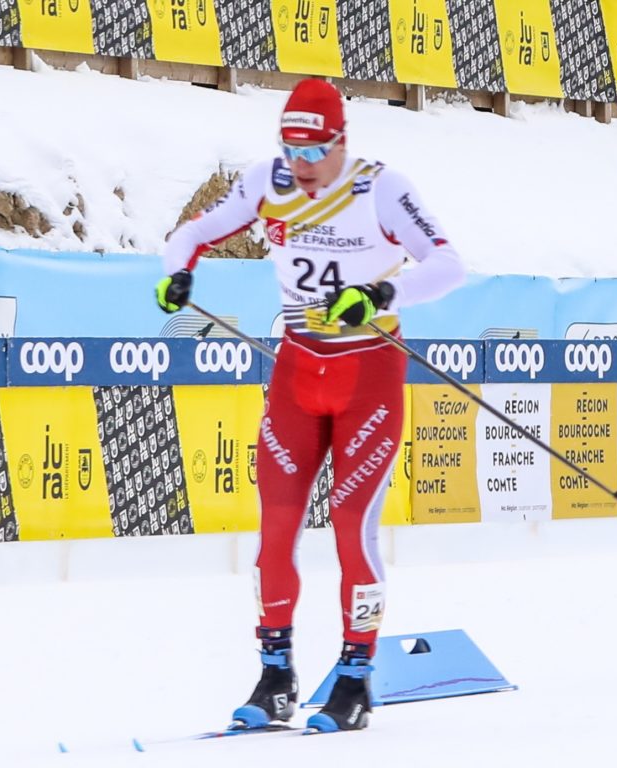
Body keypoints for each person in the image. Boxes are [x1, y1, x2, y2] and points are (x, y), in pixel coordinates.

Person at [154, 78, 467, 732]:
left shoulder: (380, 187)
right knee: (275, 531)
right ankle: (276, 678)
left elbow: (447, 264)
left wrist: (384, 296)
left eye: (313, 151)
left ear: (341, 141)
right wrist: (180, 271)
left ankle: (355, 680)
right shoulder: (267, 179)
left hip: (367, 375)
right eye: (290, 150)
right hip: (299, 370)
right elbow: (194, 234)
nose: (300, 166)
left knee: (352, 524)